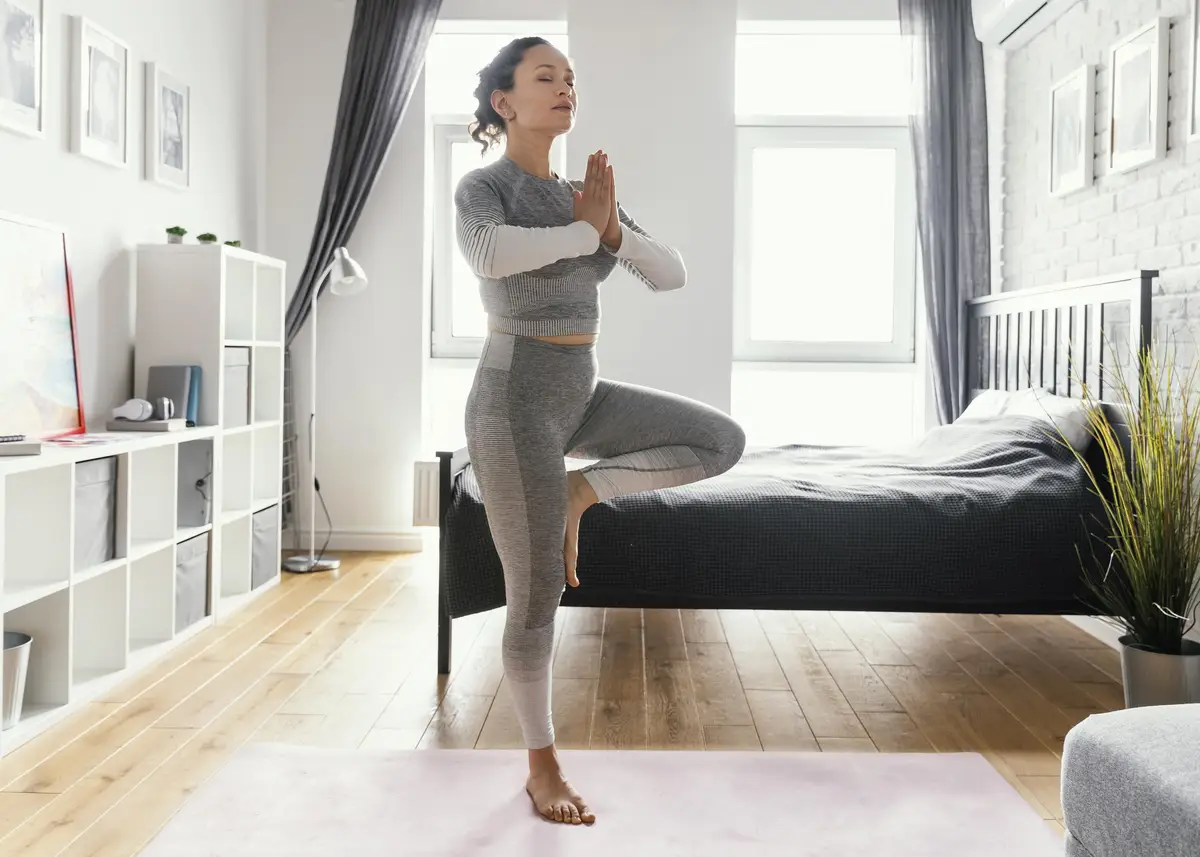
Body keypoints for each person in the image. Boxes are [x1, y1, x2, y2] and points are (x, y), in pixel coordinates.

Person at [454, 36, 746, 826]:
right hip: (513, 403)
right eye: (545, 76)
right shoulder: (484, 189)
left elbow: (670, 271)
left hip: (579, 392)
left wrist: (609, 228)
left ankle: (584, 487)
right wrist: (588, 234)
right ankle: (541, 762)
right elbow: (491, 256)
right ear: (505, 103)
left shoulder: (588, 193)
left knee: (721, 440)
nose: (564, 87)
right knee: (536, 593)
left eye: (570, 78)